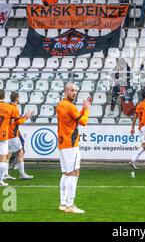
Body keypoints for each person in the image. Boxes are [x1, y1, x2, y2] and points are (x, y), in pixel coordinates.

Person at [57, 83, 91, 214]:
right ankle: (70, 205)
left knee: (66, 173)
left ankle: (63, 203)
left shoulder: (61, 104)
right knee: (74, 172)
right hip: (70, 143)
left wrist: (82, 109)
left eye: (76, 90)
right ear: (66, 91)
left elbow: (75, 119)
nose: (75, 93)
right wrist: (87, 109)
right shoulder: (69, 106)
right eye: (72, 90)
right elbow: (83, 122)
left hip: (63, 143)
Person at [4, 92, 34, 181]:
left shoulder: (8, 107)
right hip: (13, 135)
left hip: (7, 134)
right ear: (17, 98)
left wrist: (23, 116)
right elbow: (19, 122)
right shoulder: (14, 108)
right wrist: (27, 117)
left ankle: (5, 174)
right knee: (20, 152)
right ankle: (22, 174)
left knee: (8, 155)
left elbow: (15, 119)